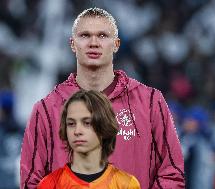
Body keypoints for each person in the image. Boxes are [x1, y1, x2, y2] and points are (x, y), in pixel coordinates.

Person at [20, 7, 184, 189]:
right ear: (73, 44)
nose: (93, 42)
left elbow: (171, 173)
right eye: (84, 35)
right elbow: (31, 181)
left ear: (116, 44)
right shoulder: (46, 109)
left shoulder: (151, 102)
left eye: (103, 36)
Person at [37, 90, 140, 188]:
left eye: (87, 123)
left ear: (104, 125)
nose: (77, 131)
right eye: (71, 124)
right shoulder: (50, 185)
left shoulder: (126, 185)